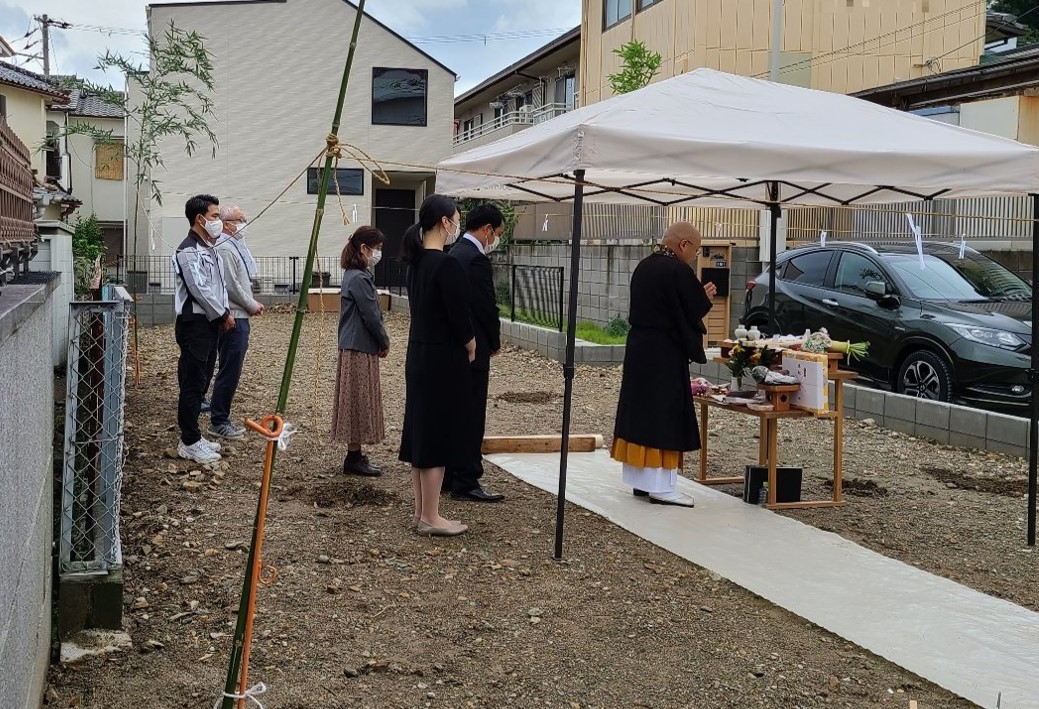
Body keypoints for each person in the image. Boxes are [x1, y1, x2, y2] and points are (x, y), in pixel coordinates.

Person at [610, 222, 717, 507]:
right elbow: (689, 309)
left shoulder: (644, 266)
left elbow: (670, 305)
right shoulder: (678, 270)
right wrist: (704, 298)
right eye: (695, 249)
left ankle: (640, 481)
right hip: (664, 352)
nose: (695, 255)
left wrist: (696, 299)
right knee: (664, 414)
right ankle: (662, 488)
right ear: (683, 245)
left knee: (640, 412)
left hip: (639, 348)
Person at [399, 194, 477, 537]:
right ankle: (431, 515)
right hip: (443, 356)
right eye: (456, 219)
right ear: (445, 222)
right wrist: (471, 344)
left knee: (421, 432)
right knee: (437, 434)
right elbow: (460, 318)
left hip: (419, 353)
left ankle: (422, 512)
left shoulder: (415, 263)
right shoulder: (446, 265)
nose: (457, 225)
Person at [444, 203, 506, 502]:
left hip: (452, 347)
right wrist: (493, 341)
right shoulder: (476, 260)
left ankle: (449, 473)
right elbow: (486, 307)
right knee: (471, 414)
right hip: (474, 347)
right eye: (497, 233)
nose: (496, 240)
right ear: (487, 229)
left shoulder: (453, 254)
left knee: (454, 412)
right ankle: (467, 478)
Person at [174, 194, 235, 464]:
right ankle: (188, 441)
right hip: (195, 325)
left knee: (202, 382)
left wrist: (223, 313)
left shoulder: (210, 248)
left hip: (210, 325)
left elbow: (217, 287)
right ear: (199, 219)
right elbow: (198, 288)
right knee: (192, 383)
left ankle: (195, 436)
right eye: (214, 216)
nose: (218, 221)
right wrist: (221, 314)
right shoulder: (187, 250)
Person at [332, 225, 390, 477]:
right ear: (364, 249)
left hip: (354, 345)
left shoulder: (354, 275)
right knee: (357, 401)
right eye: (376, 249)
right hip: (359, 347)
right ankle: (353, 457)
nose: (378, 254)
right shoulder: (359, 278)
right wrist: (384, 341)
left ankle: (354, 454)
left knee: (354, 401)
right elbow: (372, 316)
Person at [209, 205, 265, 440]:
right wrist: (251, 304)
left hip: (237, 314)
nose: (244, 223)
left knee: (230, 367)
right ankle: (219, 419)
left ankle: (219, 415)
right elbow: (232, 287)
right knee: (230, 369)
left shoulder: (232, 247)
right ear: (228, 223)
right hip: (234, 317)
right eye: (240, 219)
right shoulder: (225, 248)